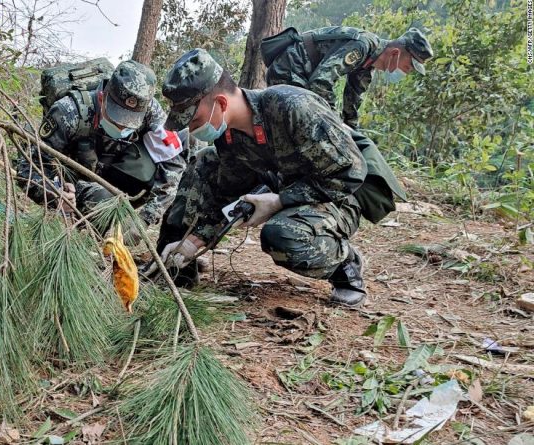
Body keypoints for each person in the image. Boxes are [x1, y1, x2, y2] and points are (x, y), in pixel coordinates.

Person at [152, 49, 404, 307]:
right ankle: (175, 265)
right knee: (204, 161)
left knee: (281, 236)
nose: (192, 129)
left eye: (194, 120)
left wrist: (280, 201)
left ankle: (345, 265)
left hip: (341, 194)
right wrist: (195, 241)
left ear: (221, 103)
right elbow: (227, 194)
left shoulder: (292, 107)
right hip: (285, 187)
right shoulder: (229, 137)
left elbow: (349, 173)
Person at [17, 60, 186, 243]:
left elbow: (173, 167)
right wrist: (55, 194)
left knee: (188, 146)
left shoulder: (151, 112)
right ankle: (80, 240)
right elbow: (27, 168)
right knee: (104, 199)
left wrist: (143, 220)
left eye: (130, 123)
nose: (122, 127)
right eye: (116, 119)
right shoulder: (69, 112)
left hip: (118, 176)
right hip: (76, 184)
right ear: (102, 98)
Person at [263, 27, 433, 128]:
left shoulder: (368, 65)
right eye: (408, 66)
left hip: (303, 76)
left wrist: (352, 133)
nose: (407, 72)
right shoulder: (362, 46)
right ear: (395, 53)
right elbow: (320, 83)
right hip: (290, 69)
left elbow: (352, 103)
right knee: (298, 125)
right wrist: (335, 123)